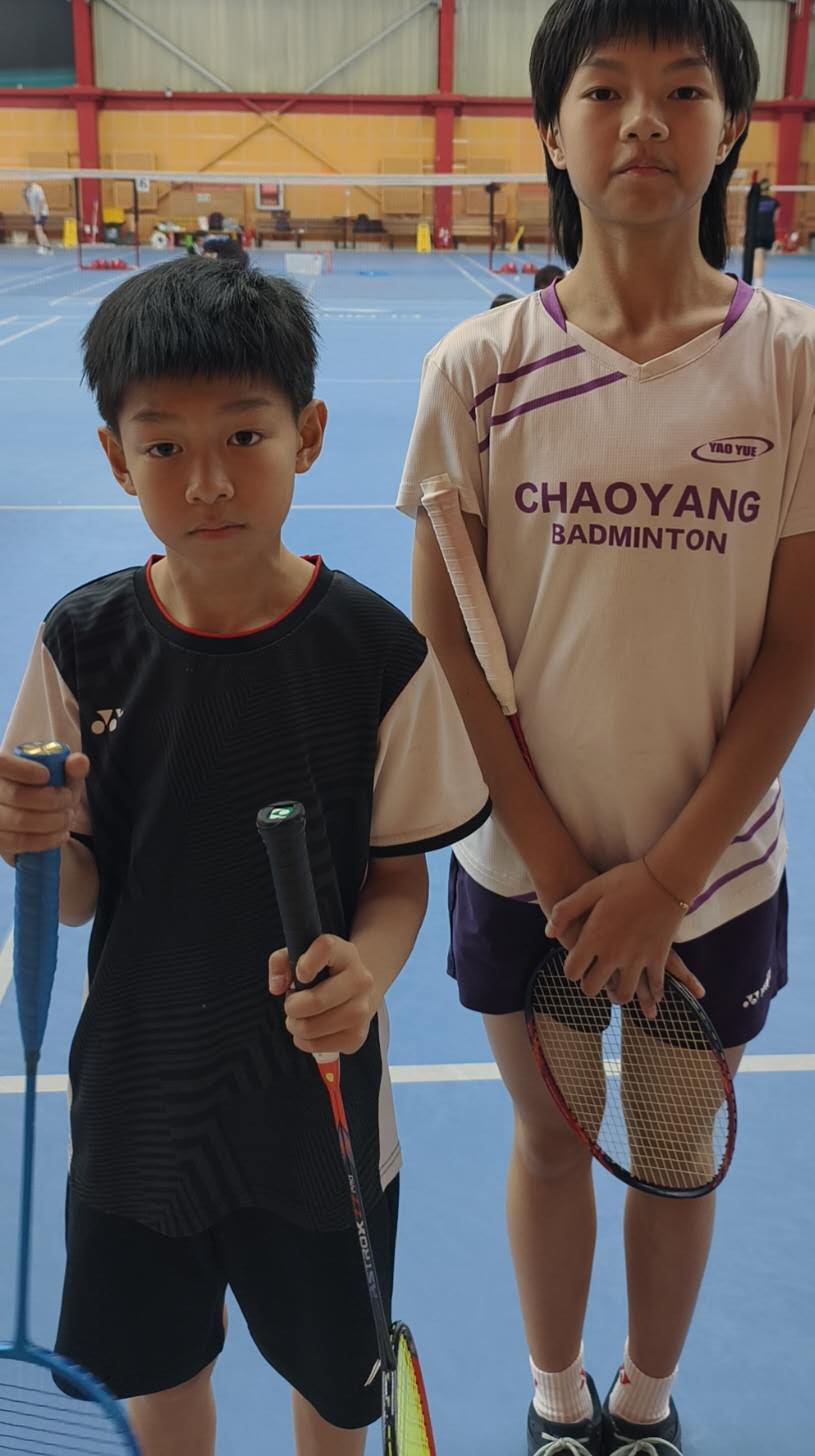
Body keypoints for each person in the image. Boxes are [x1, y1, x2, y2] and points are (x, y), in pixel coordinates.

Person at [397, 0, 815, 1456]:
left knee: (673, 1161)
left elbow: (794, 654)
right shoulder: (478, 370)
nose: (643, 121)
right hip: (522, 875)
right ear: (551, 129)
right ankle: (556, 1407)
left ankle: (646, 1407)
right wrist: (561, 869)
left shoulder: (805, 366)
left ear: (730, 128)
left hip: (713, 879)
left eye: (683, 90)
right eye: (603, 90)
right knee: (551, 1143)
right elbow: (448, 638)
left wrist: (665, 881)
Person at [0, 258, 489, 1456]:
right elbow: (74, 896)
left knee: (332, 1392)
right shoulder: (80, 643)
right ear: (116, 458)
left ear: (306, 435)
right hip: (138, 1103)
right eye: (163, 447)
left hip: (316, 1111)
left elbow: (395, 877)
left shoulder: (375, 652)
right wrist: (33, 844)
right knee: (163, 1376)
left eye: (244, 435)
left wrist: (366, 972)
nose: (207, 480)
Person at [751, 177, 779, 283]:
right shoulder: (775, 202)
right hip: (769, 232)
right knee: (763, 256)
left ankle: (758, 282)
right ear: (769, 188)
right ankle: (760, 279)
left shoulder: (754, 201)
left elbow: (749, 218)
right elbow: (775, 219)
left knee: (758, 255)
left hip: (756, 231)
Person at [22, 177, 51, 252]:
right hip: (35, 213)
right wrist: (24, 195)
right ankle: (48, 246)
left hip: (42, 212)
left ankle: (42, 247)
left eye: (27, 180)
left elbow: (42, 201)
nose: (26, 182)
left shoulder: (38, 188)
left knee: (38, 228)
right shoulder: (27, 191)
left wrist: (39, 213)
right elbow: (28, 202)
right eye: (25, 180)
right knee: (40, 230)